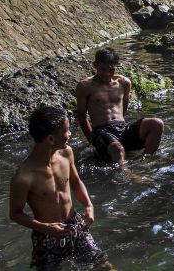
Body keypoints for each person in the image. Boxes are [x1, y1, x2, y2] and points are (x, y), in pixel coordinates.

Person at [9, 106, 111, 270]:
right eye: (67, 130)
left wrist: (89, 206)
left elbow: (76, 182)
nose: (70, 134)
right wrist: (45, 227)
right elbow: (15, 213)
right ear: (50, 139)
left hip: (75, 225)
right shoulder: (24, 176)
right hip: (46, 234)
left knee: (104, 265)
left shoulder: (66, 153)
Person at [76, 48, 164, 165]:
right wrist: (92, 141)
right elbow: (82, 116)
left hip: (122, 128)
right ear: (95, 65)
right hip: (101, 131)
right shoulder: (85, 86)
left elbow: (123, 108)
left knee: (157, 123)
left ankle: (145, 162)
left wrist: (119, 128)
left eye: (111, 70)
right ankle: (127, 174)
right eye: (103, 69)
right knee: (118, 149)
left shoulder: (124, 83)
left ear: (116, 66)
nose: (107, 74)